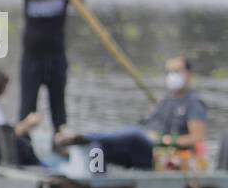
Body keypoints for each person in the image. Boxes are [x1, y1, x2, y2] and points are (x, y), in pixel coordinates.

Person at [56, 56, 207, 170]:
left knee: (134, 134)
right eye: (168, 72)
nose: (171, 76)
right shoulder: (165, 101)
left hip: (163, 152)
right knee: (98, 146)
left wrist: (164, 139)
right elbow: (148, 122)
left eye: (176, 71)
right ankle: (97, 181)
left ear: (188, 74)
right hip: (143, 146)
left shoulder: (193, 103)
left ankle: (83, 137)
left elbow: (195, 138)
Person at [7, 0, 71, 132]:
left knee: (58, 107)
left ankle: (59, 141)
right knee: (27, 105)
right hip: (32, 58)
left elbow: (80, 2)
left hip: (56, 57)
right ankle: (23, 142)